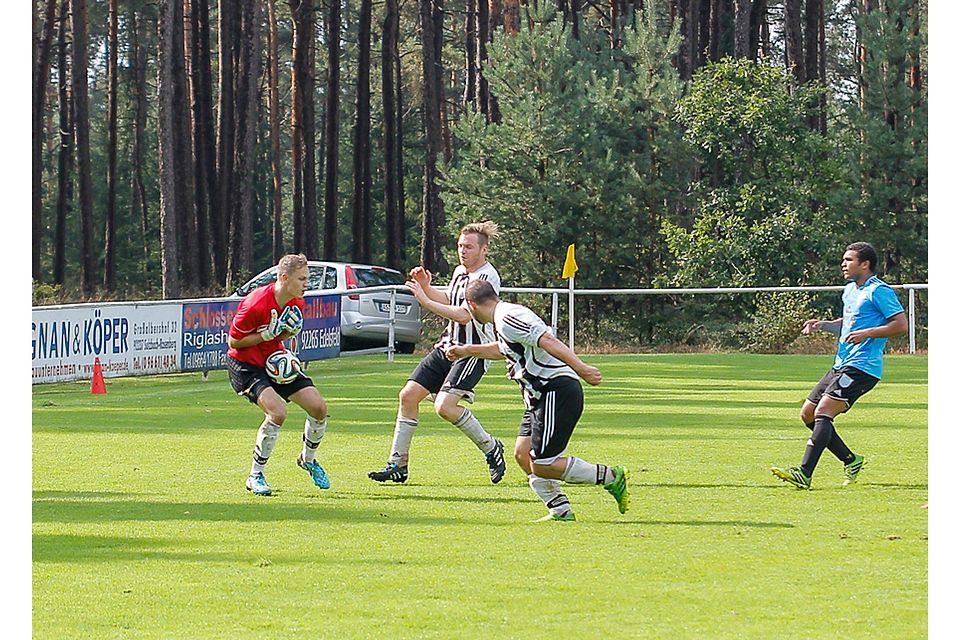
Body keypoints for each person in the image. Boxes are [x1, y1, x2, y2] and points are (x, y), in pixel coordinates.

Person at [446, 279, 629, 522]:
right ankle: (560, 511)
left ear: (472, 304)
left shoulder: (509, 316)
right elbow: (504, 349)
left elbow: (547, 340)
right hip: (538, 396)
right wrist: (466, 350)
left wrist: (582, 369)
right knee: (523, 455)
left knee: (543, 464)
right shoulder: (504, 320)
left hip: (555, 390)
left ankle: (611, 477)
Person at [368, 222, 507, 485]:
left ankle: (490, 447)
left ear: (484, 250)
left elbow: (465, 315)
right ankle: (398, 464)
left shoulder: (487, 278)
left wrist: (425, 300)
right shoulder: (459, 272)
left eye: (468, 247)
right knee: (408, 396)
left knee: (445, 407)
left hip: (472, 352)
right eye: (459, 246)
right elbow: (449, 300)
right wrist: (428, 288)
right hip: (447, 346)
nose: (462, 251)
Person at [771, 242, 908, 490]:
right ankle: (851, 459)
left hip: (863, 367)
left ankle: (804, 473)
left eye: (848, 260)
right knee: (808, 414)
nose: (843, 264)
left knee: (824, 411)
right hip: (841, 364)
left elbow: (900, 325)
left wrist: (868, 333)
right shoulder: (850, 291)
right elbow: (850, 322)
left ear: (865, 264)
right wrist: (823, 324)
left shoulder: (880, 291)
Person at [227, 253, 331, 496]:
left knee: (319, 408)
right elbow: (234, 341)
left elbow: (279, 335)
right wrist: (265, 335)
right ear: (284, 278)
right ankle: (255, 475)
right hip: (246, 364)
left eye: (308, 278)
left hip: (274, 359)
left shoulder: (297, 301)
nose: (307, 283)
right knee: (277, 412)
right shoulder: (255, 303)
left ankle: (308, 459)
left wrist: (286, 333)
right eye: (302, 278)